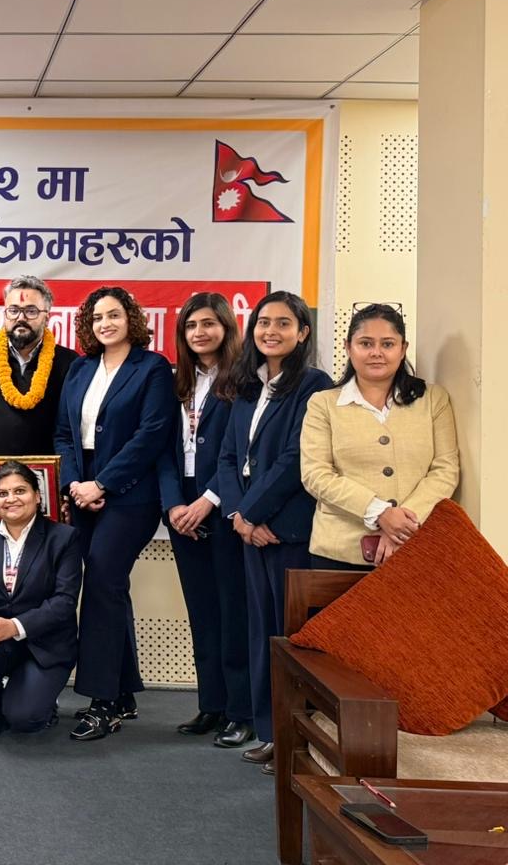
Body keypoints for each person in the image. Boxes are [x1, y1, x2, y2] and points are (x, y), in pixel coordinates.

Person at [216, 290, 332, 774]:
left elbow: (295, 461)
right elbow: (227, 457)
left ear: (302, 333)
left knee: (293, 640)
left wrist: (253, 514)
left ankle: (301, 741)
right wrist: (239, 516)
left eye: (284, 323)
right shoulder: (247, 386)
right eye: (264, 322)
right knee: (262, 635)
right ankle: (272, 734)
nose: (271, 331)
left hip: (287, 531)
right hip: (251, 530)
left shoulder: (315, 385)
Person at [54, 285, 177, 742]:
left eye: (114, 315)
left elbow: (152, 435)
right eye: (97, 317)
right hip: (82, 494)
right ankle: (123, 692)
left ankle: (101, 702)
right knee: (109, 588)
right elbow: (63, 434)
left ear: (131, 319)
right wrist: (74, 484)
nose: (105, 323)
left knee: (102, 582)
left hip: (130, 496)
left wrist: (102, 484)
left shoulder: (153, 367)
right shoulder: (81, 368)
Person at [155, 292, 253, 748]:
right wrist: (175, 504)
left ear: (226, 327)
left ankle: (240, 711)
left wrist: (208, 501)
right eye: (191, 325)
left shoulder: (245, 380)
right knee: (201, 611)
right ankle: (211, 703)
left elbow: (240, 451)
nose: (200, 332)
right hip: (183, 507)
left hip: (223, 502)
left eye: (209, 323)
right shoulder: (177, 381)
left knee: (233, 611)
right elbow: (164, 450)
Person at [301, 303, 459, 569]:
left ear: (403, 349)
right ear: (348, 347)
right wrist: (380, 513)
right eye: (365, 343)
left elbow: (445, 469)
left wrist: (403, 524)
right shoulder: (323, 404)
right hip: (339, 552)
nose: (376, 353)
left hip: (417, 545)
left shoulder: (433, 399)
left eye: (387, 344)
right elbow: (315, 474)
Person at [0, 460, 83, 740]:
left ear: (37, 496)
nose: (11, 499)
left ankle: (37, 699)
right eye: (2, 493)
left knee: (25, 719)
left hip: (46, 646)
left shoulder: (64, 538)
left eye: (20, 491)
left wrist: (13, 626)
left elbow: (64, 602)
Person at [0, 275, 78, 457]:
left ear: (47, 317)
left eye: (31, 311)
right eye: (13, 310)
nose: (20, 318)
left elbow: (69, 430)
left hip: (47, 471)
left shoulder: (68, 362)